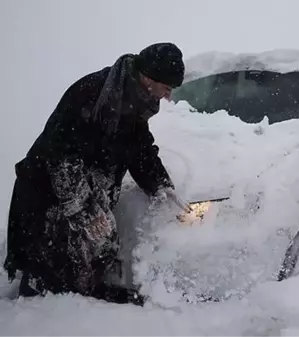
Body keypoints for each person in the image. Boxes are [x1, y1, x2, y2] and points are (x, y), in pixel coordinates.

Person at [2, 42, 187, 306]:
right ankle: (39, 317)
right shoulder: (93, 93)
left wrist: (161, 186)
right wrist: (88, 212)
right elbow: (61, 157)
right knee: (46, 277)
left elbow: (140, 149)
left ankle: (85, 305)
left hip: (77, 190)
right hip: (47, 196)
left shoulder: (133, 101)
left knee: (84, 264)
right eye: (167, 88)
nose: (168, 96)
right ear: (149, 77)